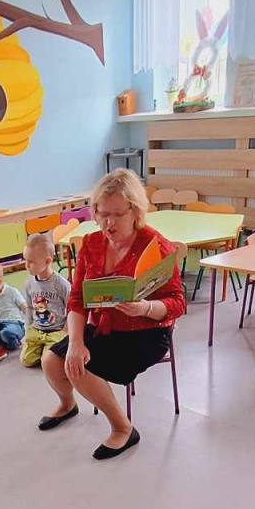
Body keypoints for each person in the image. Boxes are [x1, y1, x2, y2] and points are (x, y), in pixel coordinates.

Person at [42, 169, 185, 459]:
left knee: (80, 369)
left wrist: (145, 307)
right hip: (105, 328)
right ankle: (68, 404)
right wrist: (76, 342)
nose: (108, 223)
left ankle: (123, 428)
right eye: (102, 214)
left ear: (135, 211)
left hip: (146, 333)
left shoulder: (156, 245)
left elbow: (178, 303)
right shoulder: (91, 244)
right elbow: (77, 299)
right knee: (51, 361)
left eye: (118, 215)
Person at [21, 232, 70, 369]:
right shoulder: (29, 284)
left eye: (31, 261)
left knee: (48, 362)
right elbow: (29, 308)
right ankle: (41, 347)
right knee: (26, 360)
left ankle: (48, 349)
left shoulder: (61, 284)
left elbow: (71, 308)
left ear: (47, 261)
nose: (26, 265)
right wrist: (28, 329)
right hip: (37, 330)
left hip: (56, 331)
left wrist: (66, 330)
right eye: (25, 260)